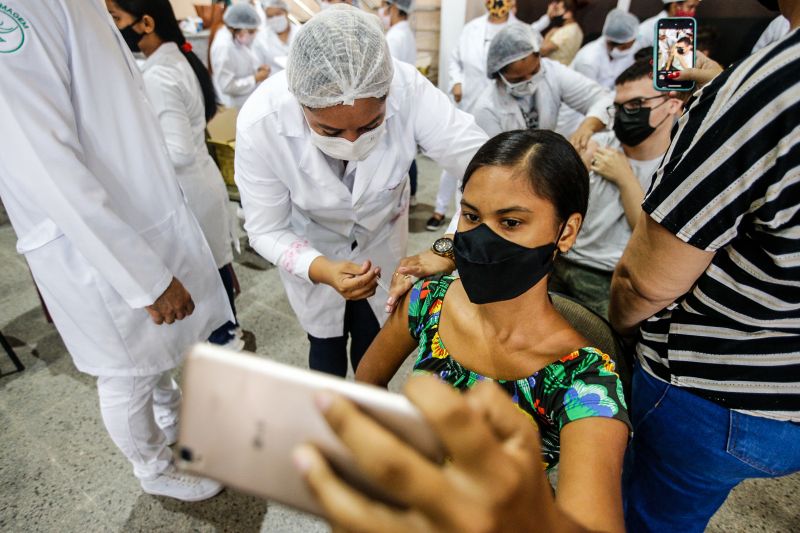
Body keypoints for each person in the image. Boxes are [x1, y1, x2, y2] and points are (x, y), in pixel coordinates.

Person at [319, 130, 631, 532]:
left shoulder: (584, 382)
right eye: (471, 216)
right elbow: (366, 384)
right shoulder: (430, 300)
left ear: (565, 232)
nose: (483, 240)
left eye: (512, 222)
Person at [0, 0, 232, 501]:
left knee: (157, 352)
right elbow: (47, 165)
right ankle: (151, 468)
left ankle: (171, 418)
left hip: (138, 217)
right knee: (126, 371)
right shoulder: (14, 17)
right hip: (90, 241)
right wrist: (146, 278)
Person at [608, 9, 800, 532]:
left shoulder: (765, 89)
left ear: (669, 104)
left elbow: (644, 280)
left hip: (716, 394)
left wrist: (620, 332)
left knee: (646, 516)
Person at [234, 5, 487, 377]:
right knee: (324, 348)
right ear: (301, 103)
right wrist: (319, 268)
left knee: (375, 342)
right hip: (312, 242)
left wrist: (447, 247)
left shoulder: (409, 89)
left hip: (383, 237)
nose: (353, 142)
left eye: (371, 125)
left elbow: (487, 171)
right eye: (330, 131)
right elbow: (265, 228)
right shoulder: (262, 122)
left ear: (388, 95)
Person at [107, 0, 243, 350]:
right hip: (201, 181)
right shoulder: (173, 59)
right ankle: (228, 334)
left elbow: (178, 151)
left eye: (117, 18)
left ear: (146, 23)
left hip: (190, 189)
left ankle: (225, 340)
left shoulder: (158, 75)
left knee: (207, 271)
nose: (113, 26)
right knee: (215, 265)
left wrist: (134, 154)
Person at [549, 60, 682, 318]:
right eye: (618, 107)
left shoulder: (676, 163)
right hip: (561, 261)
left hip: (609, 276)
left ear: (672, 104)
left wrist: (625, 179)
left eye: (635, 105)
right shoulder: (597, 145)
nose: (624, 115)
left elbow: (650, 237)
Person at [428, 0, 517, 232]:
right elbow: (455, 59)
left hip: (498, 112)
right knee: (454, 162)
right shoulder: (472, 28)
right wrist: (456, 82)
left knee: (491, 164)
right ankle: (440, 209)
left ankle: (480, 217)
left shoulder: (519, 32)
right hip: (467, 105)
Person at [471, 24, 612, 142]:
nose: (529, 81)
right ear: (499, 76)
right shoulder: (486, 109)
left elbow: (604, 99)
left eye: (534, 72)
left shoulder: (552, 72)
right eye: (518, 79)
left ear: (539, 57)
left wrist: (587, 127)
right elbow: (496, 162)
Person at [556, 8, 641, 138]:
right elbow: (588, 96)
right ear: (613, 43)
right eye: (626, 46)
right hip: (576, 115)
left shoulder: (629, 53)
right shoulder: (588, 59)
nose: (630, 48)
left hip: (605, 108)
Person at [380, 0, 420, 207]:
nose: (381, 12)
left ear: (393, 8)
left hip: (394, 102)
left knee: (399, 151)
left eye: (383, 6)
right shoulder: (405, 33)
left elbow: (386, 74)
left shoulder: (394, 37)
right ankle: (411, 194)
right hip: (404, 101)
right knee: (407, 148)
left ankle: (404, 196)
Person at [210, 2, 270, 109]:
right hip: (235, 105)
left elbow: (242, 59)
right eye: (251, 31)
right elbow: (227, 86)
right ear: (238, 27)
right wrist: (255, 78)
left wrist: (257, 69)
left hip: (246, 100)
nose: (254, 34)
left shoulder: (235, 38)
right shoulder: (224, 47)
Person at [255, 0, 298, 74]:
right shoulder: (261, 39)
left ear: (286, 12)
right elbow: (259, 68)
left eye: (278, 14)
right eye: (270, 16)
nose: (275, 19)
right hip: (275, 82)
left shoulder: (300, 31)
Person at [539, 0, 583, 66]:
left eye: (557, 10)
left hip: (553, 71)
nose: (554, 14)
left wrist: (548, 35)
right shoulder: (578, 29)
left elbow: (542, 51)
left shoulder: (564, 32)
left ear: (568, 14)